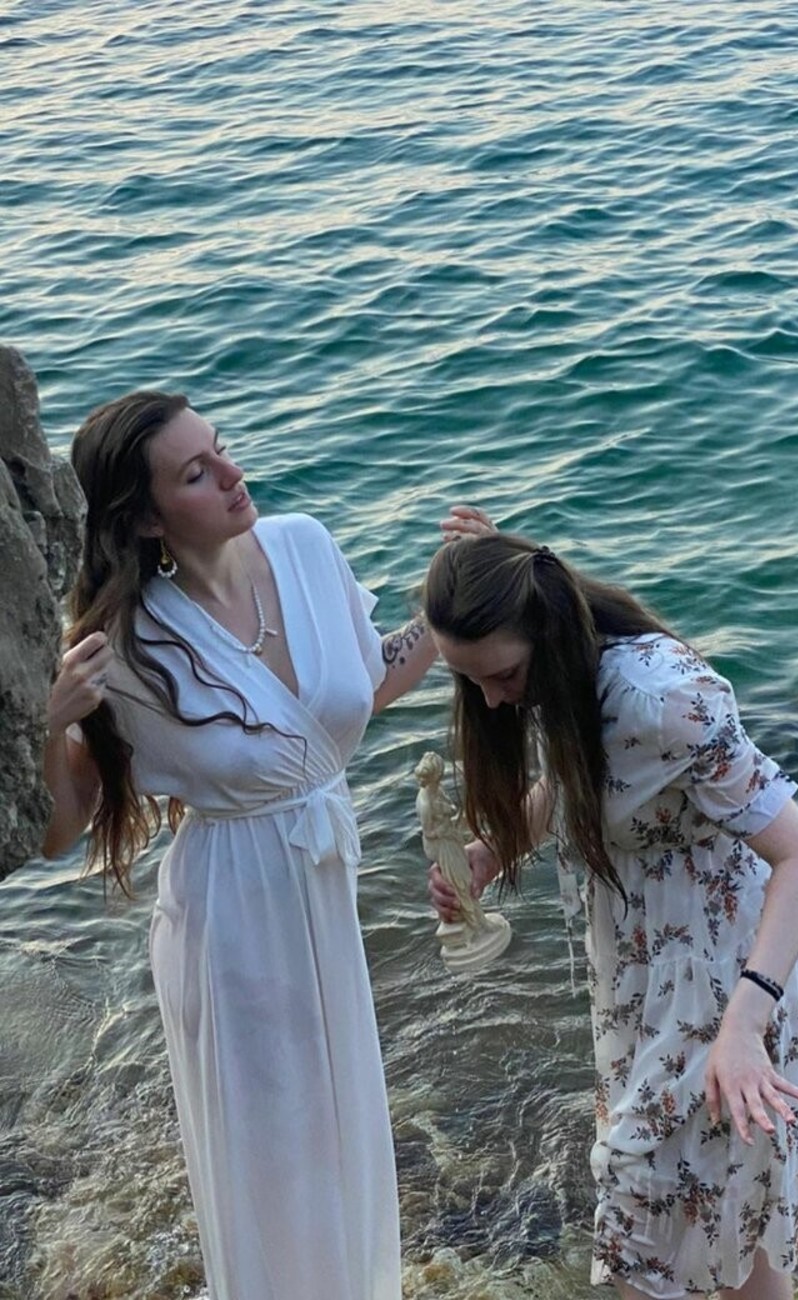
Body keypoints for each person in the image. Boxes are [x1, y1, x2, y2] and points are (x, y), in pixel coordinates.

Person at [41, 388, 494, 1300]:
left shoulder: (305, 545)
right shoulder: (123, 647)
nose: (233, 474)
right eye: (196, 473)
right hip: (232, 922)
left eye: (221, 449)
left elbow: (365, 685)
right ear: (145, 518)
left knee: (341, 1138)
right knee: (275, 1165)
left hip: (322, 898)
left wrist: (452, 593)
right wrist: (51, 725)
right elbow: (60, 831)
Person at [422, 534, 798, 1300]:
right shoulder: (567, 678)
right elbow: (586, 777)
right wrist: (494, 851)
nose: (491, 700)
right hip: (651, 978)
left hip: (739, 974)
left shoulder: (664, 701)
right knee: (734, 1221)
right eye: (472, 681)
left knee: (651, 1233)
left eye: (503, 676)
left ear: (549, 632)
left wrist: (744, 1026)